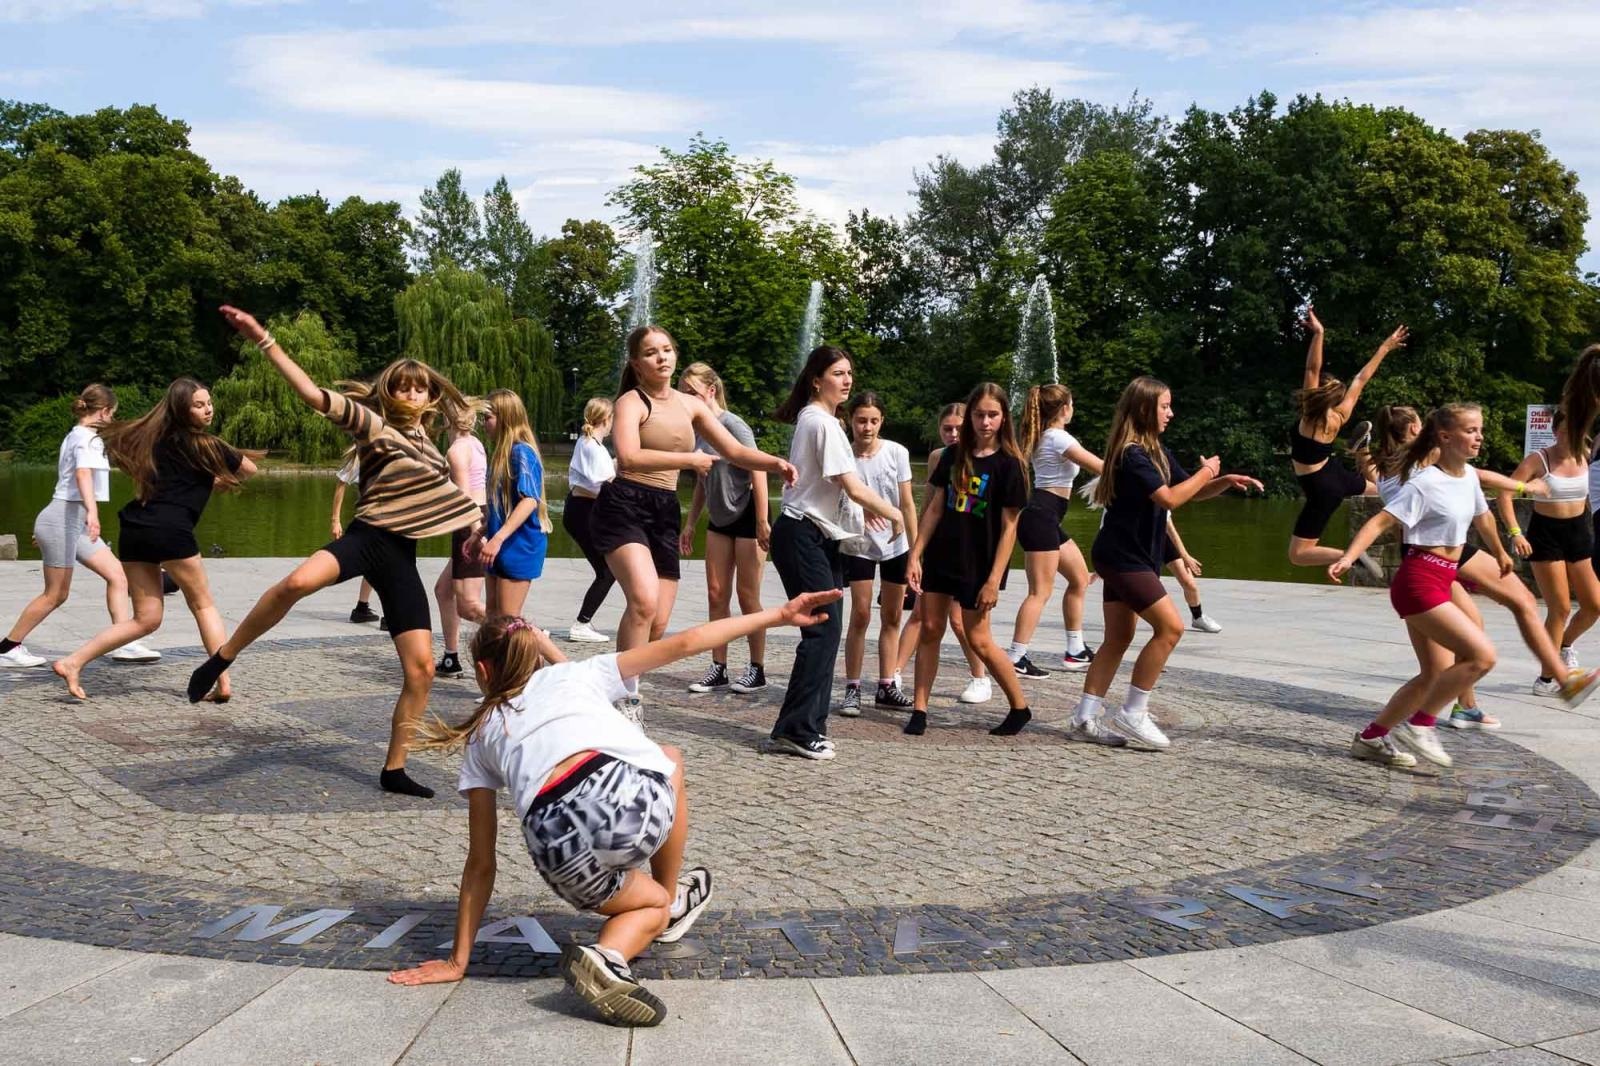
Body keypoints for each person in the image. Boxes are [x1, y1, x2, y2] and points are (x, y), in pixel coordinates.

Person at [386, 588, 842, 1027]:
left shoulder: (482, 734)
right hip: (622, 803)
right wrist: (779, 616)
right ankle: (669, 901)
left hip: (555, 850)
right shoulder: (577, 673)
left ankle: (609, 955)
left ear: (483, 671)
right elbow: (686, 642)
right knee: (671, 760)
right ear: (536, 651)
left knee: (645, 905)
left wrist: (456, 960)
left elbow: (481, 863)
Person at [192, 306, 483, 800]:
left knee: (423, 670)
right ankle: (224, 656)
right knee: (296, 584)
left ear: (432, 396)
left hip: (401, 558)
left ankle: (394, 767)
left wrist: (475, 525)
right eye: (402, 386)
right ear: (388, 393)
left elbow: (455, 498)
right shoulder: (372, 426)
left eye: (421, 387)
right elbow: (311, 394)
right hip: (363, 538)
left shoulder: (436, 452)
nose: (412, 393)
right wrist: (264, 339)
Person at [590, 325, 794, 724]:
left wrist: (774, 463)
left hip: (664, 508)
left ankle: (614, 677)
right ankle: (626, 698)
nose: (662, 357)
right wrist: (689, 461)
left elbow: (734, 450)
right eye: (651, 353)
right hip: (625, 505)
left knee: (659, 620)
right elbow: (629, 457)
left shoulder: (691, 405)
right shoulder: (632, 402)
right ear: (636, 363)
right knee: (643, 601)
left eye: (667, 350)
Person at [1067, 376, 1262, 750]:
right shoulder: (1132, 454)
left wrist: (1221, 481)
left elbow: (1191, 491)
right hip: (1124, 557)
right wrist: (1208, 471)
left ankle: (1083, 717)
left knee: (1119, 638)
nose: (1171, 413)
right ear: (1145, 408)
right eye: (1165, 406)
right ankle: (1133, 712)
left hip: (1129, 554)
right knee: (1171, 628)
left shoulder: (1154, 449)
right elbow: (1169, 500)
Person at [1331, 405, 1527, 768]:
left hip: (1441, 576)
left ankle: (1371, 739)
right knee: (1482, 656)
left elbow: (1484, 517)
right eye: (1471, 430)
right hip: (1419, 579)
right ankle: (1421, 725)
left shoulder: (1467, 476)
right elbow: (1380, 522)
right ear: (1445, 437)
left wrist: (1501, 551)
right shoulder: (1424, 482)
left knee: (1434, 674)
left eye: (1480, 429)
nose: (1480, 436)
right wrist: (1348, 556)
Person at [51, 377, 258, 699]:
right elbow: (249, 470)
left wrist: (209, 476)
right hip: (171, 530)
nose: (208, 410)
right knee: (203, 604)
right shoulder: (209, 445)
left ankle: (73, 662)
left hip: (135, 529)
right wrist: (219, 475)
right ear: (182, 409)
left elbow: (142, 464)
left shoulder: (150, 441)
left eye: (209, 403)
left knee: (146, 619)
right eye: (200, 405)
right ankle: (223, 683)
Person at [763, 346, 903, 760]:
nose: (847, 380)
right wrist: (893, 510)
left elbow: (839, 491)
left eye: (849, 373)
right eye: (838, 373)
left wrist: (860, 516)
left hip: (816, 534)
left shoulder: (823, 420)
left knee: (827, 629)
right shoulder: (820, 422)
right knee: (822, 630)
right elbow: (852, 485)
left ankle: (807, 726)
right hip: (801, 532)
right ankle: (797, 729)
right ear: (816, 379)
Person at [1, 384, 160, 669]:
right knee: (56, 594)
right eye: (113, 413)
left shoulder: (80, 436)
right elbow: (82, 474)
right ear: (105, 410)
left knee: (117, 576)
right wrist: (93, 513)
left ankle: (123, 642)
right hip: (64, 518)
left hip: (69, 521)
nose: (112, 419)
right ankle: (8, 648)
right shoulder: (86, 439)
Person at [905, 382, 1032, 736]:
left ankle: (1020, 707)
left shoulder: (1011, 465)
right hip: (942, 555)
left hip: (980, 563)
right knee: (930, 629)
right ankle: (919, 709)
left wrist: (994, 579)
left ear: (1004, 417)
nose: (985, 422)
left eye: (993, 415)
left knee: (979, 639)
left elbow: (1010, 529)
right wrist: (916, 554)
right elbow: (933, 510)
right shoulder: (952, 456)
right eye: (979, 415)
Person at [677, 362, 770, 695]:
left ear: (710, 392)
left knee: (748, 597)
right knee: (717, 594)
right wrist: (690, 523)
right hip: (718, 519)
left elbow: (758, 470)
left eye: (692, 393)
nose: (686, 399)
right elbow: (703, 479)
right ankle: (719, 666)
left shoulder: (733, 425)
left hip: (747, 514)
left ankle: (757, 668)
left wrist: (762, 520)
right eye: (683, 394)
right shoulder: (697, 432)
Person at [1289, 308, 1407, 571]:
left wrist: (1319, 334)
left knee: (1298, 554)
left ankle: (1349, 556)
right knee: (1389, 493)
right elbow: (1361, 378)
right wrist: (1385, 347)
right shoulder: (1340, 416)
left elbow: (1312, 367)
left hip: (1321, 487)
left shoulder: (1311, 417)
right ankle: (1413, 526)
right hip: (1336, 474)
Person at [1005, 383, 1103, 678]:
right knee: (1040, 593)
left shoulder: (1044, 435)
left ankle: (1075, 650)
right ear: (1064, 408)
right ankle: (1016, 656)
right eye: (1071, 403)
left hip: (1046, 517)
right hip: (1041, 516)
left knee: (1079, 580)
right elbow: (1100, 466)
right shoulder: (1058, 437)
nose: (1073, 408)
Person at [895, 403, 990, 702]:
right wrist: (918, 549)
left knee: (960, 620)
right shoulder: (940, 457)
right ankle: (893, 673)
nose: (952, 434)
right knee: (919, 614)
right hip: (938, 545)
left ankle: (980, 677)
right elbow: (929, 505)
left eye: (958, 429)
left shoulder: (985, 458)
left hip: (968, 549)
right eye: (946, 428)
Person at [1500, 410, 1600, 684]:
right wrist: (1515, 533)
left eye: (1577, 429)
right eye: (1566, 430)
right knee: (1561, 608)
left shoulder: (1588, 454)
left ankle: (1564, 646)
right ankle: (1545, 680)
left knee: (1594, 605)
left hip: (1579, 530)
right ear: (1555, 431)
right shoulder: (1538, 459)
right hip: (1546, 534)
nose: (1571, 436)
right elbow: (1505, 492)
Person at [838, 391, 920, 715]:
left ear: (881, 421)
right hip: (858, 543)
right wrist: (861, 506)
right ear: (851, 421)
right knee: (860, 614)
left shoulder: (897, 453)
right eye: (861, 421)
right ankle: (852, 687)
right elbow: (839, 494)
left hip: (895, 544)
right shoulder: (843, 454)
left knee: (892, 615)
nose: (867, 427)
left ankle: (887, 684)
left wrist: (915, 553)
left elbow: (908, 504)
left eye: (873, 421)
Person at [478, 389, 550, 621]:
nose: (483, 423)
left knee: (508, 619)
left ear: (505, 418)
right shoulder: (501, 454)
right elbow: (501, 505)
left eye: (488, 417)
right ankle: (497, 659)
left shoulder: (521, 453)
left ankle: (542, 657)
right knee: (492, 616)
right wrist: (481, 531)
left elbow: (529, 500)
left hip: (518, 545)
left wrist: (497, 538)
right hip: (500, 543)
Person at [433, 400, 489, 677]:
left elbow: (465, 499)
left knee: (469, 604)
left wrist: (477, 534)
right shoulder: (475, 443)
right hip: (477, 518)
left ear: (446, 419)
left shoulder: (456, 451)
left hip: (470, 523)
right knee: (443, 590)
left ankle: (525, 634)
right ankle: (450, 657)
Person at [564, 398, 618, 644]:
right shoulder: (591, 446)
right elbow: (603, 482)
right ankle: (581, 624)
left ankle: (583, 623)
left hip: (581, 510)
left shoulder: (590, 444)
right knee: (607, 571)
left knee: (607, 571)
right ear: (606, 419)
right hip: (583, 512)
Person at [331, 453, 384, 628]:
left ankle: (361, 608)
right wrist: (335, 519)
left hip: (381, 518)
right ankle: (390, 613)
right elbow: (341, 483)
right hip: (376, 519)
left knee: (375, 563)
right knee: (388, 564)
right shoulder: (363, 455)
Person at [1162, 518, 1221, 633]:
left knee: (1189, 583)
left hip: (1160, 537)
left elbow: (1169, 526)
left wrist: (1185, 555)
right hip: (1133, 538)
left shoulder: (1160, 500)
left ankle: (1198, 617)